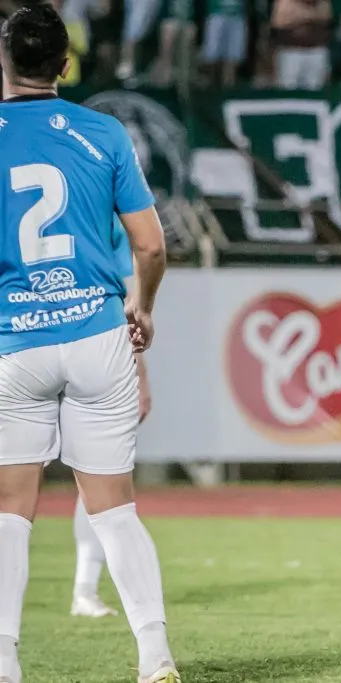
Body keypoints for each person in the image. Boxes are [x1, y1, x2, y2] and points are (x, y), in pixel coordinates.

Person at [0, 6, 178, 683]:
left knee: (10, 514)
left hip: (16, 339)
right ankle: (155, 656)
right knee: (116, 510)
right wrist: (143, 307)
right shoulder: (102, 131)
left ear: (3, 59)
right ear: (66, 65)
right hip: (97, 333)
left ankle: (5, 660)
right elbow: (150, 246)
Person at [70, 220, 153, 620]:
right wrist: (139, 371)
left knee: (15, 488)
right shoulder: (100, 217)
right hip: (89, 353)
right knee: (98, 476)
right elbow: (129, 291)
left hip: (20, 348)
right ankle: (86, 591)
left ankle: (84, 589)